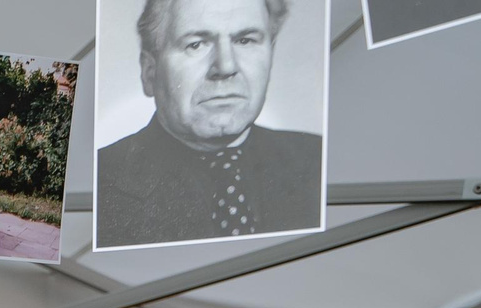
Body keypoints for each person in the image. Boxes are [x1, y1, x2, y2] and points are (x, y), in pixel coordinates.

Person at [94, 0, 325, 247]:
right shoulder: (100, 185)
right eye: (196, 44)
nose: (226, 66)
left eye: (245, 40)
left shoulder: (320, 160)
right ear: (149, 71)